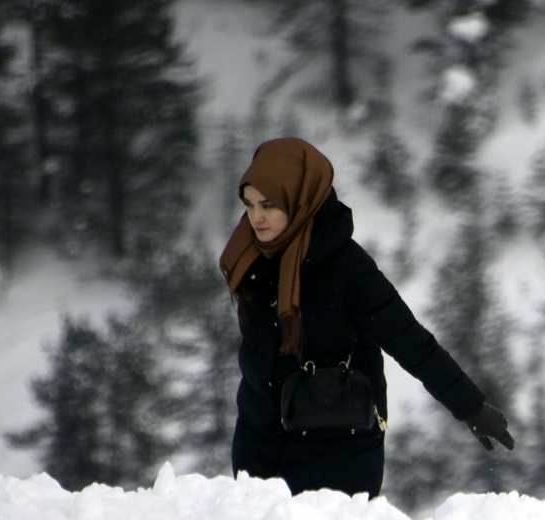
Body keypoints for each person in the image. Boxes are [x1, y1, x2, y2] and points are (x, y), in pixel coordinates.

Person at [220, 137, 513, 499]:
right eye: (249, 204)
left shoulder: (347, 268)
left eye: (268, 204)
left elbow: (411, 342)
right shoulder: (249, 258)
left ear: (300, 200)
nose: (256, 218)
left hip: (338, 450)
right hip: (259, 446)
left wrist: (471, 407)